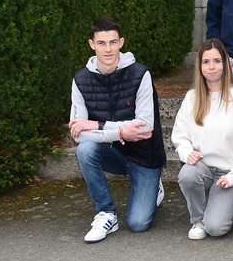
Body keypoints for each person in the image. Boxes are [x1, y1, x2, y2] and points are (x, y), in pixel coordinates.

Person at [69, 16, 166, 242]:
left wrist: (98, 126)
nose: (108, 49)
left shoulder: (140, 74)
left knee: (138, 223)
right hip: (111, 152)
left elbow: (145, 127)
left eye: (113, 42)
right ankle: (106, 213)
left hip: (144, 156)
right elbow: (78, 133)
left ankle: (154, 187)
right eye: (101, 43)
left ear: (121, 42)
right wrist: (120, 132)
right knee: (85, 150)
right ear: (92, 44)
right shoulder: (80, 79)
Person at [171, 38, 233, 240]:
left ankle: (229, 206)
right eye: (206, 62)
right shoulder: (193, 97)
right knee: (187, 174)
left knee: (216, 228)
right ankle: (198, 219)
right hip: (203, 168)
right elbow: (180, 134)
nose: (212, 67)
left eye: (217, 61)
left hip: (230, 171)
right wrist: (186, 152)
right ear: (199, 66)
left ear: (227, 63)